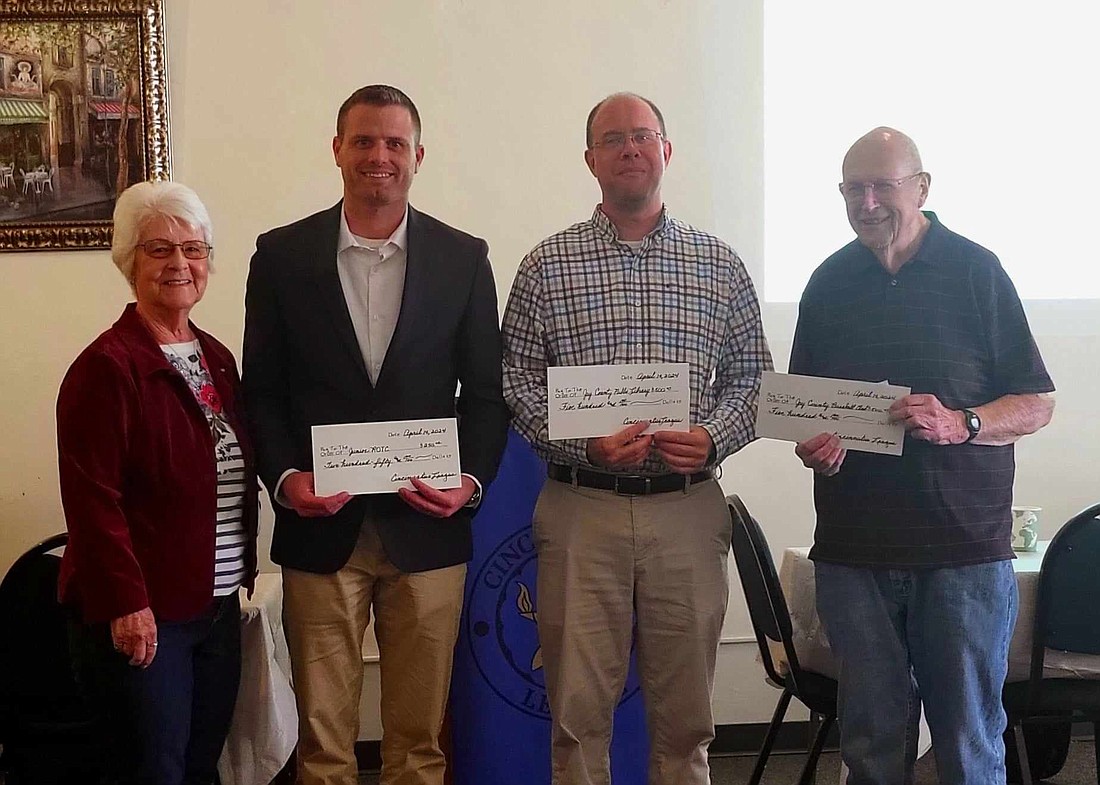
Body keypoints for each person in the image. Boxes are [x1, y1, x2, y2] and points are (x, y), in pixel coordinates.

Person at [501, 92, 772, 785]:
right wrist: (581, 445)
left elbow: (754, 380)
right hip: (580, 507)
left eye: (642, 135)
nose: (629, 148)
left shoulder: (719, 264)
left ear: (666, 151)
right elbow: (518, 383)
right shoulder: (545, 265)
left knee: (686, 718)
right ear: (590, 159)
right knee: (577, 714)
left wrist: (712, 436)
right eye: (612, 138)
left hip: (686, 507)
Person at [241, 84, 508, 785]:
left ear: (418, 155)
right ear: (337, 150)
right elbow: (261, 391)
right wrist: (285, 479)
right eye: (363, 141)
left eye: (394, 143)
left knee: (418, 744)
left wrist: (471, 481)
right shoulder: (280, 256)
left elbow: (486, 394)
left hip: (428, 528)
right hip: (319, 527)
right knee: (322, 746)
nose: (378, 156)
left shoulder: (463, 257)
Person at [790, 127, 1056, 785]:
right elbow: (805, 410)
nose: (869, 201)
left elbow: (1036, 402)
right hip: (855, 556)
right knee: (871, 750)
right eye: (855, 188)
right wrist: (816, 449)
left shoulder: (976, 271)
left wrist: (962, 421)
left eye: (884, 185)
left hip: (962, 554)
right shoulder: (827, 281)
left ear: (923, 188)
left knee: (969, 746)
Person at [57, 180, 258, 785]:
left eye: (193, 250)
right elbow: (94, 502)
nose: (179, 264)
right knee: (154, 771)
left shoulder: (215, 358)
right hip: (148, 616)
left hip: (218, 605)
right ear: (129, 262)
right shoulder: (108, 366)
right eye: (158, 249)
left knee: (201, 765)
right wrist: (128, 605)